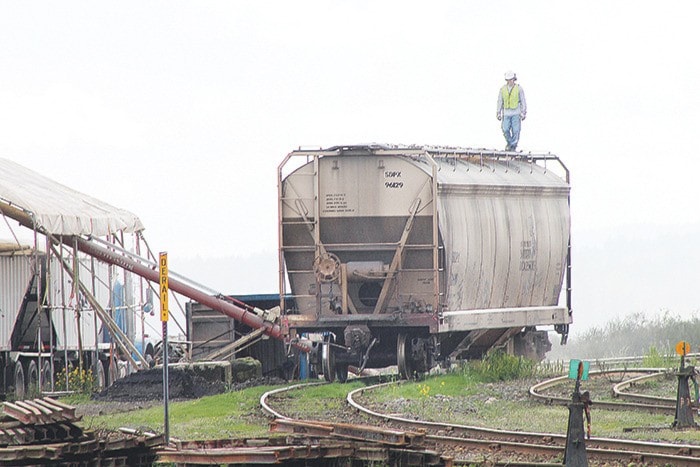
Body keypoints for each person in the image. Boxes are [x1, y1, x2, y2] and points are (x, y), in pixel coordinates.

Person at [496, 70, 527, 151]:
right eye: (508, 80)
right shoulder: (503, 89)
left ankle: (513, 145)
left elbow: (523, 101)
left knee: (516, 130)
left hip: (516, 113)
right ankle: (510, 143)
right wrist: (498, 112)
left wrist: (523, 112)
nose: (510, 81)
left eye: (511, 79)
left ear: (514, 79)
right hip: (506, 113)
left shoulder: (519, 88)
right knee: (505, 129)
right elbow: (500, 101)